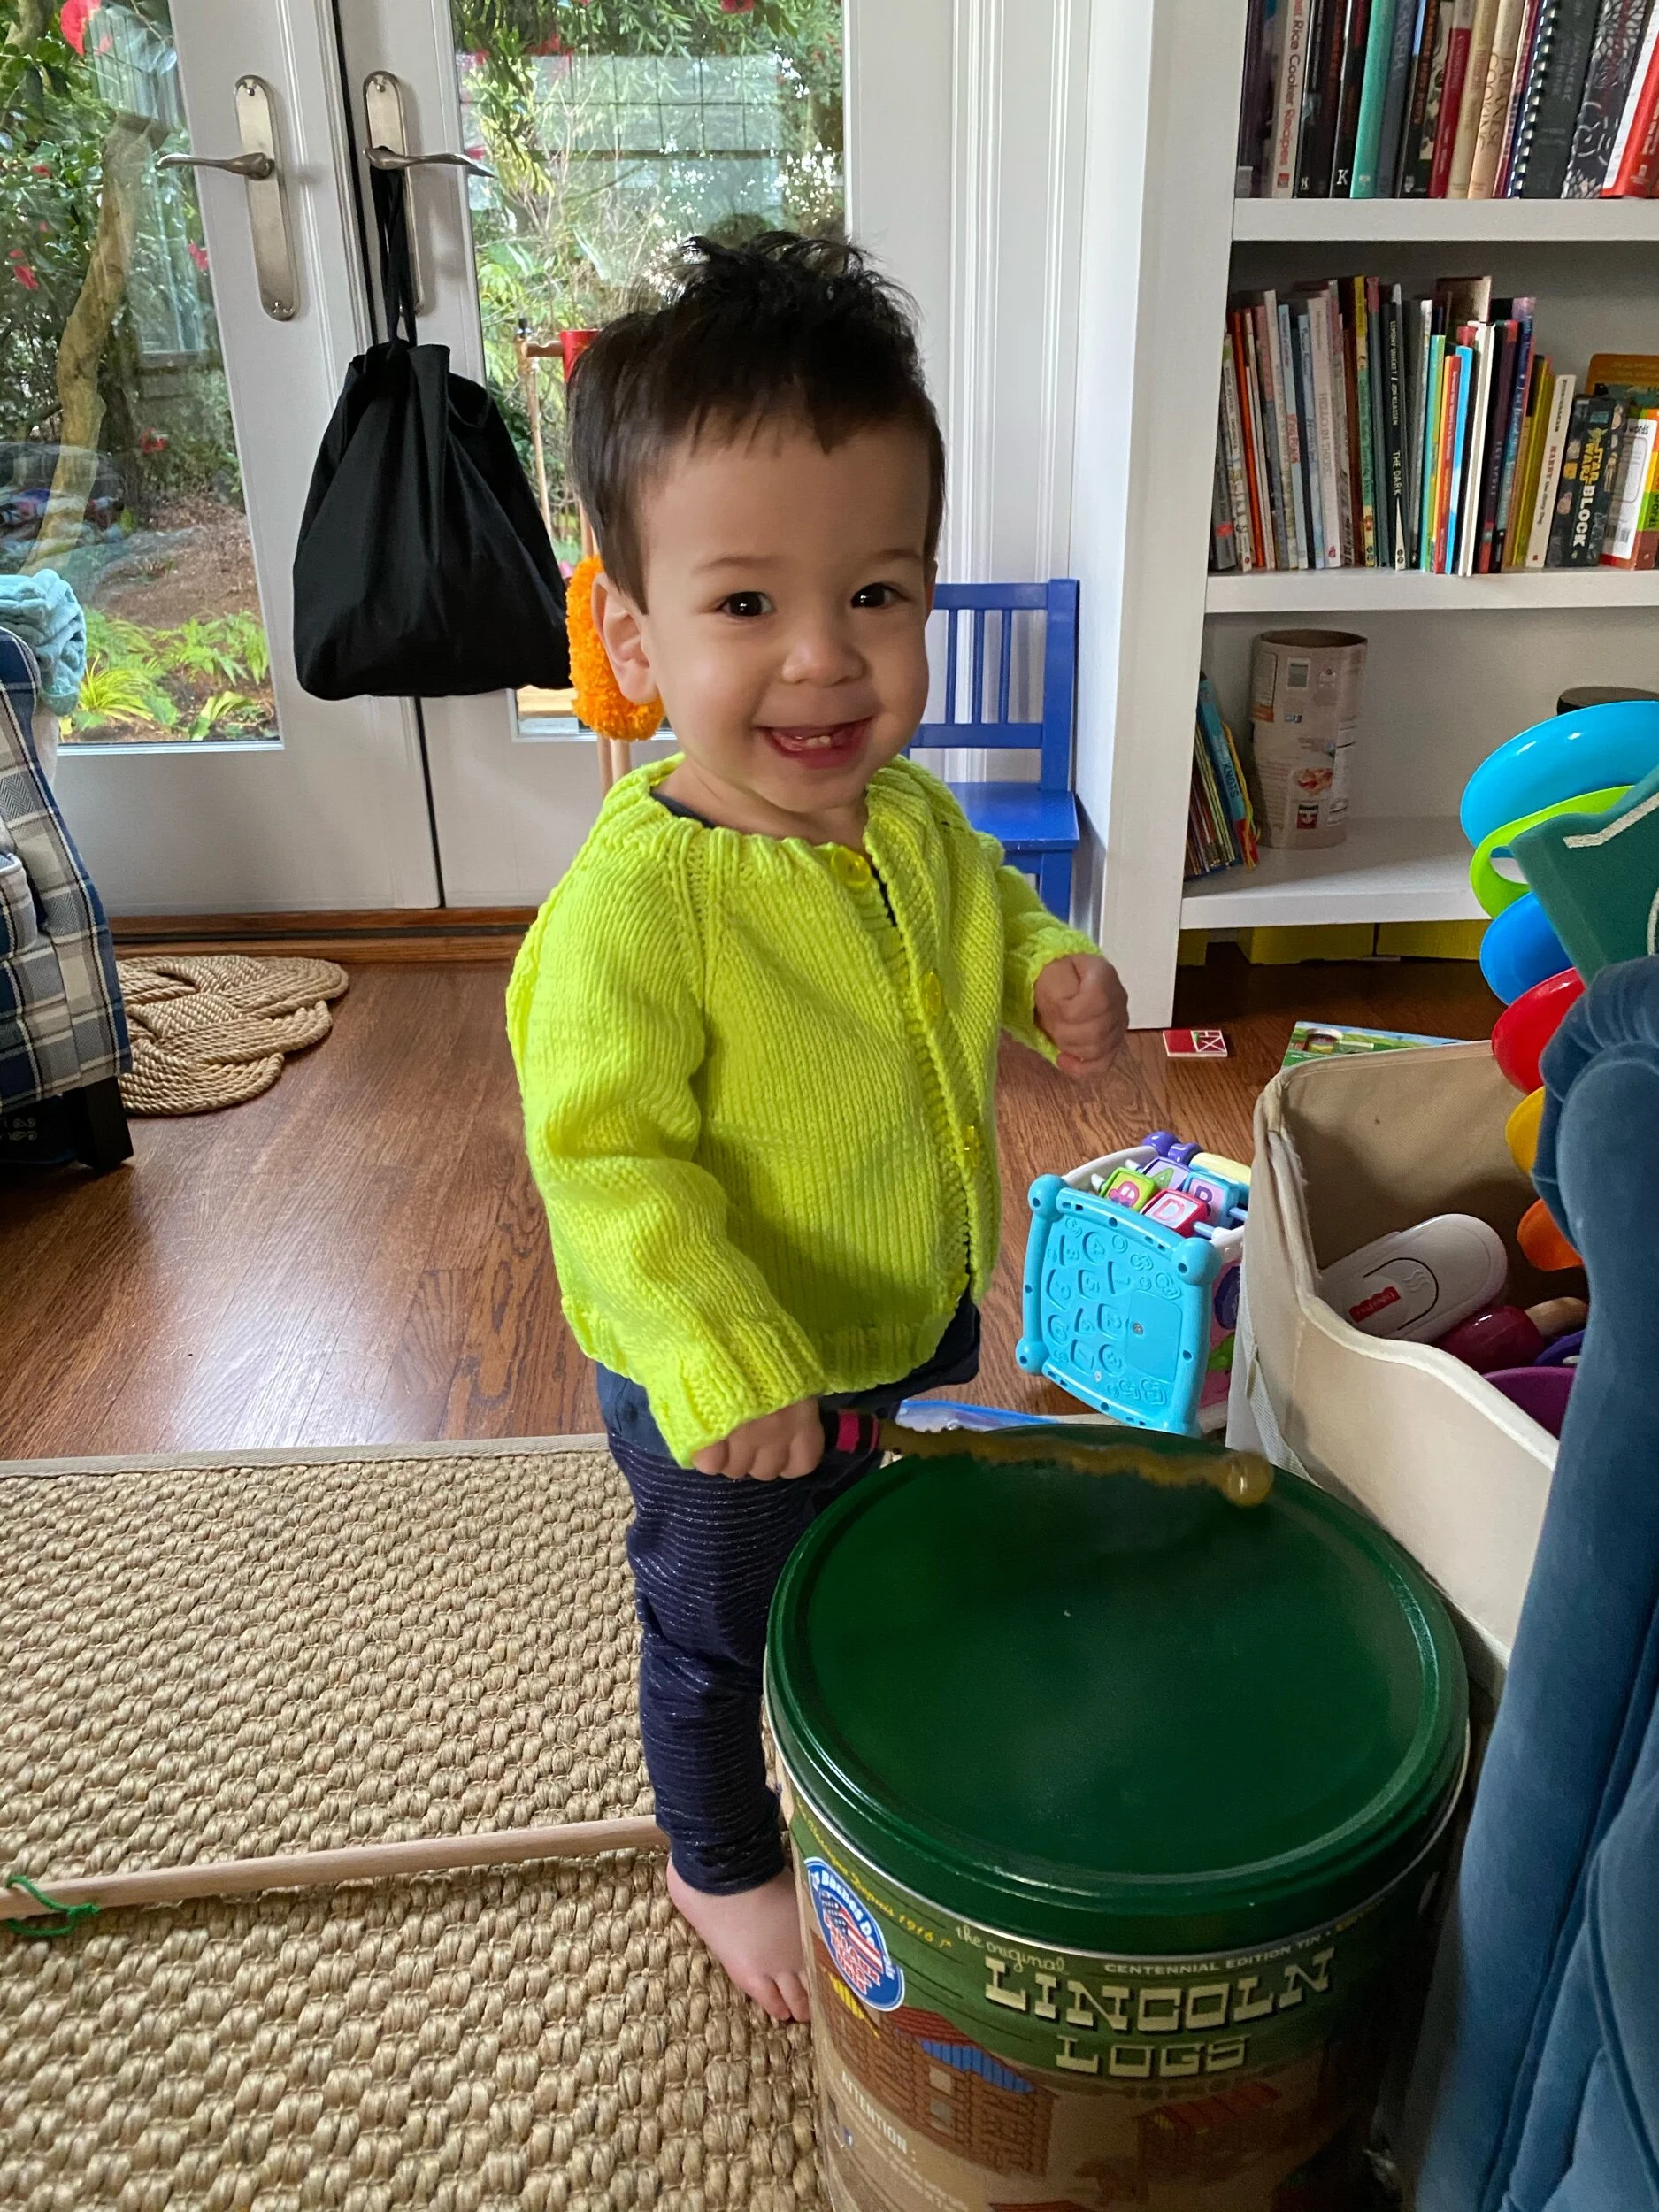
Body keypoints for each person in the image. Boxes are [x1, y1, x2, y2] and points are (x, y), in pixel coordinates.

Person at [507, 232, 1127, 2025]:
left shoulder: (912, 813)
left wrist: (1052, 972)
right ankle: (719, 1858)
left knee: (891, 1561)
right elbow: (608, 1168)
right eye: (742, 605)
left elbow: (983, 917)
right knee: (716, 1632)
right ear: (629, 631)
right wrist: (716, 1354)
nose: (821, 663)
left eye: (874, 594)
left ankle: (887, 1727)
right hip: (730, 1394)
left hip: (906, 1317)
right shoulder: (637, 908)